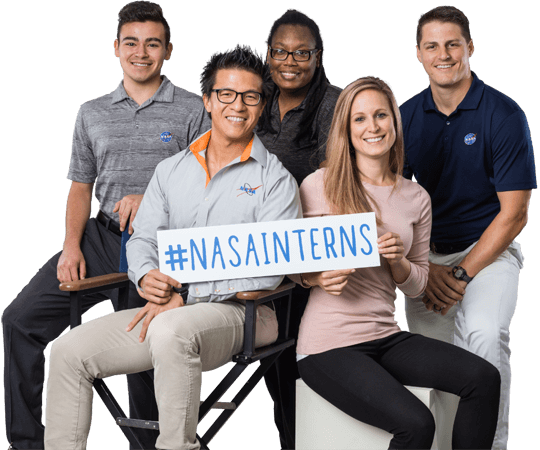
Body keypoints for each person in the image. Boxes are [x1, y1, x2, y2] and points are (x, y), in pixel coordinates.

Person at [43, 44, 301, 450]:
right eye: (226, 94)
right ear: (208, 101)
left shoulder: (276, 181)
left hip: (245, 312)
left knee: (169, 330)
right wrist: (146, 275)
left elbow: (269, 268)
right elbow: (144, 238)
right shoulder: (171, 170)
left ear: (262, 104)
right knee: (67, 351)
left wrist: (187, 292)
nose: (238, 105)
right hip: (164, 309)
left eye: (251, 96)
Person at [1, 2, 211, 449]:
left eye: (152, 43)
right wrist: (71, 246)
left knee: (143, 356)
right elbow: (81, 186)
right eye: (131, 43)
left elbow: (205, 187)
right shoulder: (91, 112)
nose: (141, 52)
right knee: (19, 321)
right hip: (99, 239)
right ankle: (25, 443)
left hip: (160, 247)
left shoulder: (193, 110)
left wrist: (153, 199)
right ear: (116, 48)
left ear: (168, 51)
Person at [291, 76, 501, 450]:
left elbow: (418, 283)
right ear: (346, 128)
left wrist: (398, 261)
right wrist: (318, 277)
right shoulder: (318, 185)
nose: (372, 127)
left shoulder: (415, 196)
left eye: (380, 116)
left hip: (384, 335)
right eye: (359, 119)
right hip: (327, 346)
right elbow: (292, 265)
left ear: (394, 122)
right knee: (417, 425)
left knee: (482, 377)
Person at [399, 6, 535, 449]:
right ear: (419, 53)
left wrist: (459, 275)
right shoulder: (404, 117)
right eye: (432, 46)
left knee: (482, 333)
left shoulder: (503, 114)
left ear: (470, 48)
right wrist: (423, 269)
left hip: (487, 251)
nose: (444, 54)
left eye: (453, 44)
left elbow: (514, 214)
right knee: (439, 370)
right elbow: (387, 199)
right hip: (427, 260)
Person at [255, 9, 342, 448]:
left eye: (302, 52)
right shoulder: (253, 97)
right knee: (276, 363)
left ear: (319, 55)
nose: (289, 61)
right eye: (280, 51)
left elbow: (339, 181)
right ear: (267, 54)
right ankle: (292, 440)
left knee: (306, 358)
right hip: (261, 250)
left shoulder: (335, 105)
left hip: (313, 251)